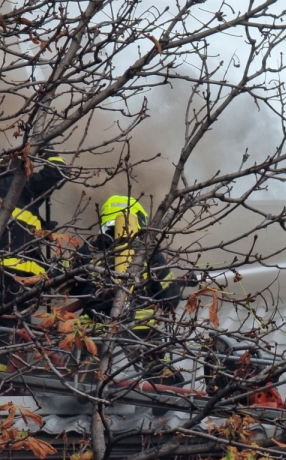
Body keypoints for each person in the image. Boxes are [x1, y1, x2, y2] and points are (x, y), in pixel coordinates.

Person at [70, 195, 182, 387]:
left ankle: (85, 376)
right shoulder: (149, 253)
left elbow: (70, 288)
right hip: (141, 326)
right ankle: (165, 384)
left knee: (82, 360)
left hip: (94, 326)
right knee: (155, 361)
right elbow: (170, 297)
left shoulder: (87, 252)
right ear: (139, 220)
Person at [0, 152, 67, 371]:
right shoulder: (22, 187)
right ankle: (9, 380)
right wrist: (46, 149)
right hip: (18, 275)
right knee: (14, 330)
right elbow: (58, 171)